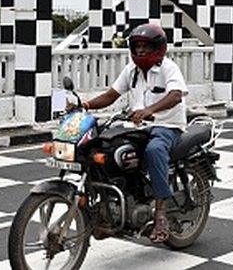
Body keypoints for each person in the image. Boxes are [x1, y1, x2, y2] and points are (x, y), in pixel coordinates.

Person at [74, 23, 187, 243]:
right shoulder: (131, 71)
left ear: (158, 48)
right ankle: (112, 205)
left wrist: (149, 110)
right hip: (138, 128)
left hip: (167, 126)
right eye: (137, 46)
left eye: (146, 46)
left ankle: (161, 213)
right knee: (107, 149)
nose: (141, 51)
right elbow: (110, 96)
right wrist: (84, 105)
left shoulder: (168, 68)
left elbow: (175, 95)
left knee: (155, 150)